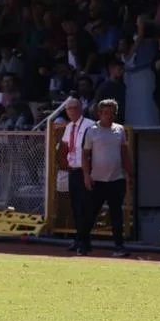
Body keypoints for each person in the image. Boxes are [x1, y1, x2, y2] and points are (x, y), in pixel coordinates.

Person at [81, 99, 132, 257]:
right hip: (97, 180)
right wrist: (86, 176)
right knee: (91, 213)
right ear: (99, 114)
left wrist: (130, 174)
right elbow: (85, 155)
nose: (109, 116)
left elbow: (124, 153)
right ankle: (83, 244)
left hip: (116, 179)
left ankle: (118, 246)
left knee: (117, 214)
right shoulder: (92, 131)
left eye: (112, 113)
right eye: (106, 113)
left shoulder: (120, 130)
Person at [55, 97, 95, 254]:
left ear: (80, 109)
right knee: (75, 207)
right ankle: (80, 239)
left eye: (73, 108)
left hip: (85, 170)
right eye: (68, 109)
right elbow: (65, 147)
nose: (70, 112)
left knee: (85, 207)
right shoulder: (69, 127)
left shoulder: (90, 125)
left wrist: (89, 172)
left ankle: (84, 241)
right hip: (73, 170)